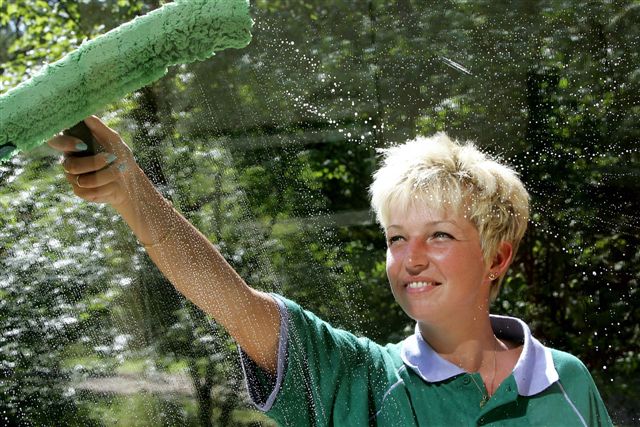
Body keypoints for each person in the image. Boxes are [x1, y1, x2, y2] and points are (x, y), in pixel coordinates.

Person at [48, 117, 612, 426]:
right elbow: (234, 302)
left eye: (438, 235)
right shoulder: (363, 382)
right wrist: (131, 191)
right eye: (396, 238)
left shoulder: (568, 383)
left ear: (497, 257)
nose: (410, 258)